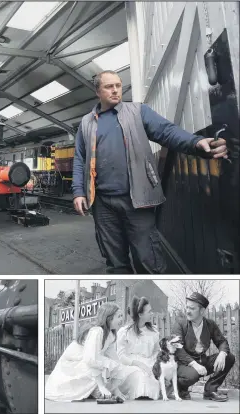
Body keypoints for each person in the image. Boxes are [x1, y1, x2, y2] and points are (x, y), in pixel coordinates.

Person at [72, 70, 228, 274]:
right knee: (115, 262)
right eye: (109, 86)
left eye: (118, 85)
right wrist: (78, 192)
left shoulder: (137, 111)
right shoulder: (86, 123)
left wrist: (196, 142)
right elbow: (80, 158)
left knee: (148, 260)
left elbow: (167, 132)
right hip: (102, 203)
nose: (115, 90)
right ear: (97, 91)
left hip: (137, 200)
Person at [45, 302, 144, 402]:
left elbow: (113, 359)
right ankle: (98, 389)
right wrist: (101, 385)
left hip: (89, 362)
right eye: (119, 316)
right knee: (102, 369)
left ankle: (101, 390)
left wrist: (116, 389)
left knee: (116, 367)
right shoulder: (97, 331)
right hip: (73, 365)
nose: (122, 319)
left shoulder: (111, 334)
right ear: (109, 318)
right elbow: (91, 359)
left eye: (122, 316)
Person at [172, 292, 236, 402]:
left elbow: (222, 342)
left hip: (202, 361)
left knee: (229, 357)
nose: (187, 311)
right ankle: (180, 388)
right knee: (193, 374)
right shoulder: (180, 324)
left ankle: (210, 390)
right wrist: (194, 365)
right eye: (187, 307)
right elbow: (178, 349)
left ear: (202, 311)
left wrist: (222, 353)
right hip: (183, 364)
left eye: (192, 308)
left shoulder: (210, 324)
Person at [116, 296, 160, 400]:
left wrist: (153, 366)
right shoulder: (124, 332)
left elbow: (156, 352)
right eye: (149, 311)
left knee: (149, 379)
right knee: (140, 376)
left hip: (149, 364)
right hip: (130, 366)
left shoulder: (154, 331)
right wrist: (140, 364)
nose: (152, 313)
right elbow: (121, 356)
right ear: (140, 314)